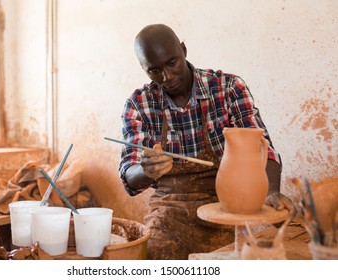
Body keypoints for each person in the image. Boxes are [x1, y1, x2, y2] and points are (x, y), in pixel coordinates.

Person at [118, 24, 294, 260]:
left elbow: (263, 149)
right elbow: (129, 176)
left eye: (172, 63)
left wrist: (271, 192)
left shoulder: (228, 88)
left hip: (229, 204)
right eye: (154, 71)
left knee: (261, 255)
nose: (167, 77)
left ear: (183, 50)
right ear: (144, 69)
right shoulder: (138, 104)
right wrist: (146, 170)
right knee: (154, 255)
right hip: (170, 210)